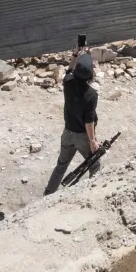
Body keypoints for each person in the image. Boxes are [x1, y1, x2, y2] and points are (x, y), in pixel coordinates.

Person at [43, 50, 100, 193]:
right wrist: (92, 141)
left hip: (67, 133)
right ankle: (95, 193)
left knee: (61, 165)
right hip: (82, 136)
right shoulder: (91, 95)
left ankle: (49, 193)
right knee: (95, 165)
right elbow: (89, 120)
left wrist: (75, 55)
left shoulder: (68, 83)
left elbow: (69, 70)